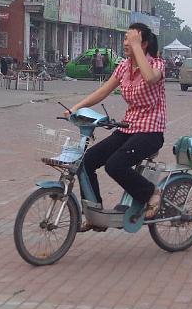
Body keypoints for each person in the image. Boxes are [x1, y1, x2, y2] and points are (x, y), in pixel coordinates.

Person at [67, 23, 166, 223]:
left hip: (151, 132)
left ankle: (151, 193)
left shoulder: (156, 65)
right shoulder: (124, 66)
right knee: (87, 160)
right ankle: (94, 213)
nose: (126, 43)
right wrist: (76, 107)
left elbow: (149, 78)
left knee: (115, 165)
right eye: (126, 39)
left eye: (131, 39)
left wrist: (137, 48)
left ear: (144, 44)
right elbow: (103, 91)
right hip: (128, 128)